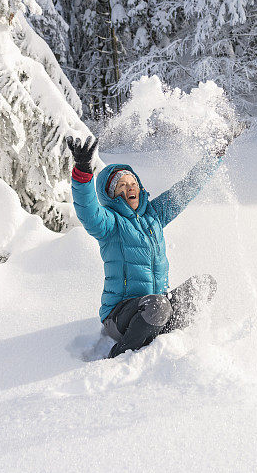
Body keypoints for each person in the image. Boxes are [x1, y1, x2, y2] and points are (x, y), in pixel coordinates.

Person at [66, 135, 226, 359]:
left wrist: (213, 158)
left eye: (133, 183)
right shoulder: (110, 223)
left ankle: (162, 334)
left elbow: (186, 189)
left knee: (203, 285)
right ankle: (118, 356)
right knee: (158, 306)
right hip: (120, 314)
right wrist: (83, 174)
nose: (129, 187)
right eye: (121, 185)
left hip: (156, 304)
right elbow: (87, 210)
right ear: (111, 194)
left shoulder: (154, 214)